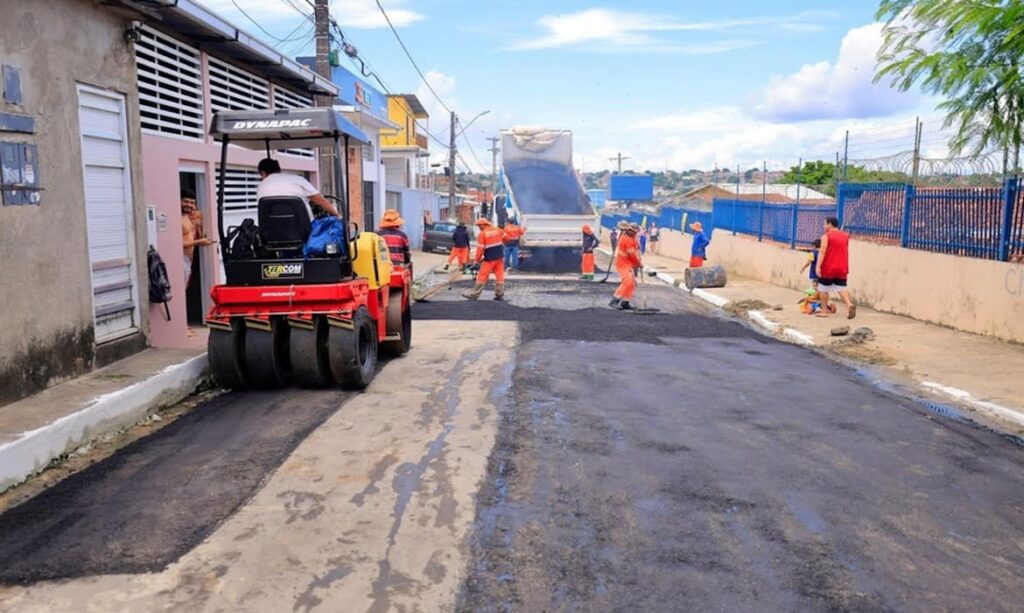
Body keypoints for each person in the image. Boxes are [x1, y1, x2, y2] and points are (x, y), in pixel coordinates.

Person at [256, 157, 341, 219]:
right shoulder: (298, 179)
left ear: (263, 173)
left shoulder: (261, 187)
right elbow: (320, 200)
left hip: (272, 232)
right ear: (279, 169)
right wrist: (337, 215)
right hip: (304, 231)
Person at [816, 216, 856, 318]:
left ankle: (824, 311)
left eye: (825, 224)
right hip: (842, 266)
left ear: (830, 224)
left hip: (828, 267)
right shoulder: (845, 236)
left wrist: (818, 266)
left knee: (823, 289)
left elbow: (822, 251)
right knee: (841, 288)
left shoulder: (826, 236)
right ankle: (849, 304)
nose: (824, 226)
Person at [463, 218, 506, 301]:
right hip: (499, 257)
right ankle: (500, 294)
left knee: (482, 275)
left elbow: (480, 249)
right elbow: (506, 238)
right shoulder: (498, 230)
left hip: (489, 259)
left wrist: (476, 260)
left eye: (479, 226)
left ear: (484, 225)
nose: (479, 227)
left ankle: (474, 294)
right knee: (500, 275)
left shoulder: (482, 234)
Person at [181, 189, 214, 287]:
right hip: (182, 259)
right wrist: (200, 241)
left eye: (192, 203)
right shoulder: (177, 218)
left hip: (188, 260)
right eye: (186, 201)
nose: (189, 205)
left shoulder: (186, 216)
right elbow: (179, 244)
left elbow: (189, 235)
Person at [609, 222, 642, 310]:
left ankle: (625, 302)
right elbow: (632, 255)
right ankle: (614, 300)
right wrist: (638, 264)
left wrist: (637, 245)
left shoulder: (630, 238)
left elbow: (634, 249)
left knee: (631, 283)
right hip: (623, 264)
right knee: (627, 281)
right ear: (630, 231)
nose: (635, 233)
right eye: (634, 232)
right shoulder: (627, 240)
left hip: (628, 264)